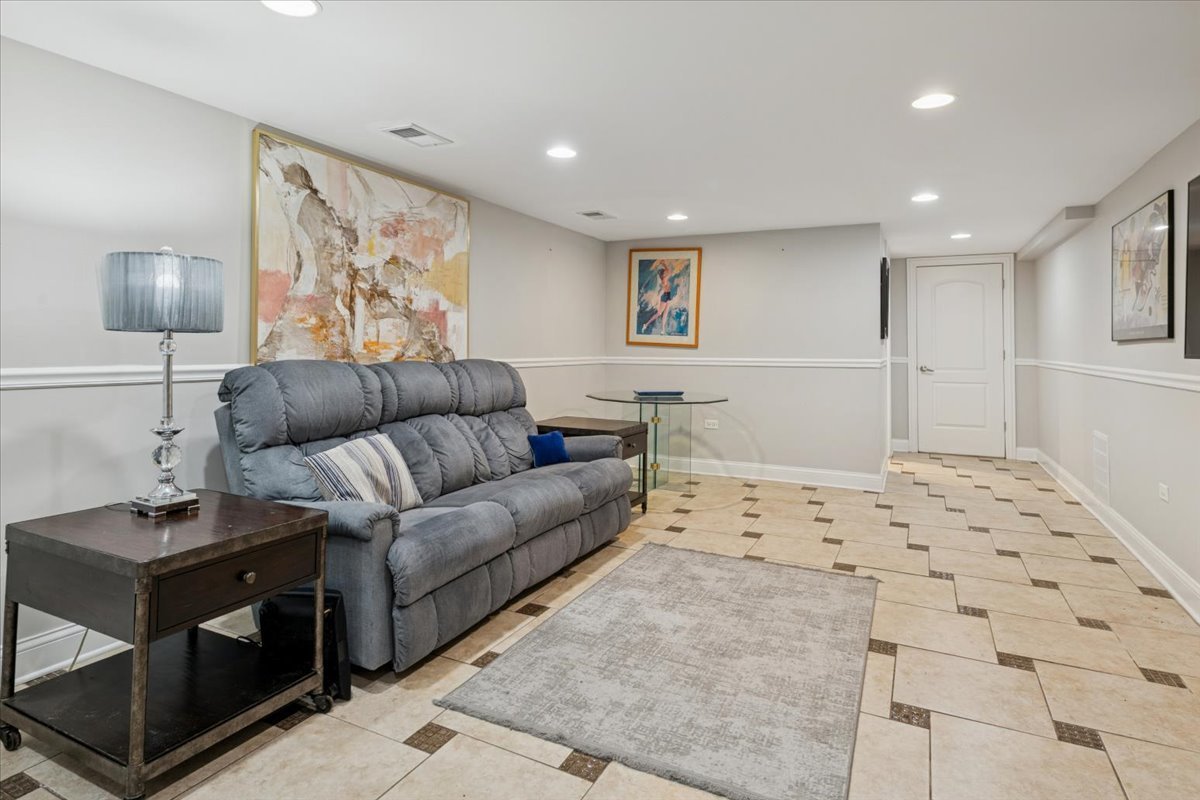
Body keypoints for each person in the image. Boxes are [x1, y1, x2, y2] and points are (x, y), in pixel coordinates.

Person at [642, 264, 674, 333]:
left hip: (668, 295)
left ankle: (663, 330)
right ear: (663, 275)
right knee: (659, 313)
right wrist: (664, 264)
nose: (666, 273)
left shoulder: (664, 279)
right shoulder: (664, 279)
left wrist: (664, 264)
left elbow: (668, 272)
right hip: (665, 296)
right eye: (665, 273)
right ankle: (646, 324)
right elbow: (669, 271)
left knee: (665, 314)